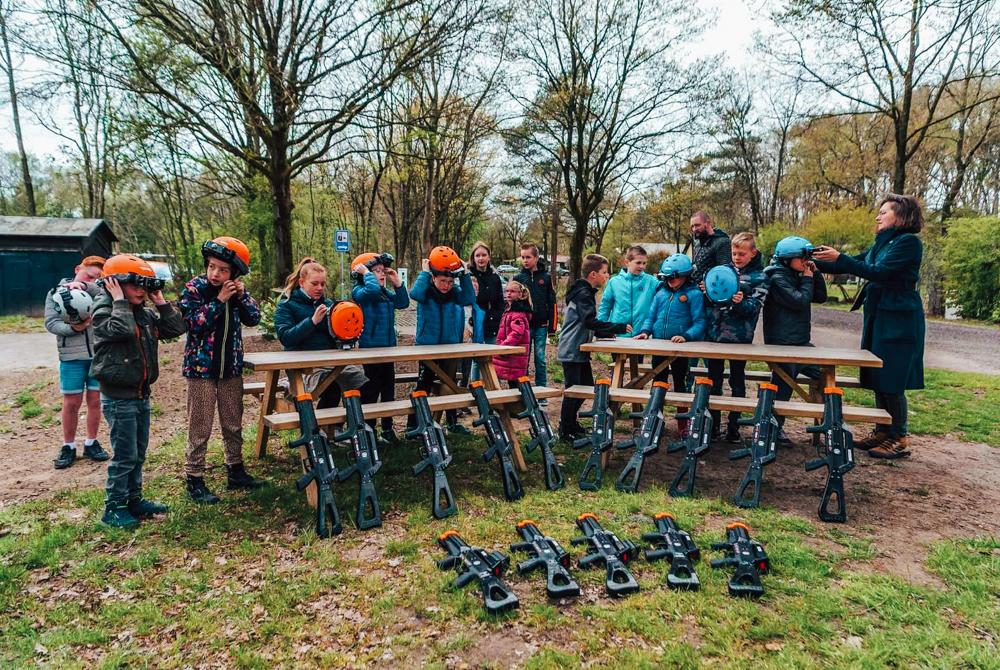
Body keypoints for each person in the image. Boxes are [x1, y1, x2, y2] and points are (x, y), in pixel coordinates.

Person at [813, 194, 925, 459]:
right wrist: (811, 261)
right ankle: (882, 431)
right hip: (880, 315)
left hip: (900, 318)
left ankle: (898, 436)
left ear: (901, 216)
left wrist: (840, 257)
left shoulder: (908, 243)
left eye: (884, 212)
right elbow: (856, 263)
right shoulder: (882, 242)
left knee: (893, 376)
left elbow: (878, 271)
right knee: (877, 373)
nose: (878, 216)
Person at [91, 254, 187, 528]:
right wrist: (119, 300)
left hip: (141, 394)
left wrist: (160, 301)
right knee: (125, 456)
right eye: (135, 285)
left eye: (145, 285)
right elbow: (119, 330)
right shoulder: (104, 311)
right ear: (115, 284)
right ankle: (114, 507)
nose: (141, 291)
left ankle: (133, 499)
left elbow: (175, 328)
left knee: (138, 452)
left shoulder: (143, 312)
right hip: (119, 397)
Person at [179, 237, 264, 505]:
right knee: (200, 425)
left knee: (232, 421)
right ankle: (194, 477)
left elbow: (254, 318)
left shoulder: (237, 293)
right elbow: (194, 324)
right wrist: (219, 300)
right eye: (212, 267)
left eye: (223, 270)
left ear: (234, 273)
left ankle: (236, 470)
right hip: (201, 369)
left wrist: (241, 296)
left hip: (231, 368)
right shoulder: (194, 288)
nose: (215, 273)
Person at [274, 258, 368, 408]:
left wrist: (350, 333)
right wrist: (312, 322)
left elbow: (336, 337)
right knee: (330, 388)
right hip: (302, 365)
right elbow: (286, 338)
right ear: (301, 282)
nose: (319, 288)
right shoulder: (286, 305)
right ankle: (318, 428)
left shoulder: (329, 305)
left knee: (361, 384)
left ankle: (348, 426)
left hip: (329, 362)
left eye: (322, 284)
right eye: (314, 284)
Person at [44, 255, 110, 469]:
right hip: (71, 358)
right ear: (77, 268)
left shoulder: (99, 291)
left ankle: (91, 442)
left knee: (95, 400)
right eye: (88, 275)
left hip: (97, 356)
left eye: (96, 278)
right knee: (72, 402)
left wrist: (85, 285)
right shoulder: (55, 294)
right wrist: (74, 329)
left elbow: (102, 295)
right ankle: (68, 446)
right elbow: (51, 323)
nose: (91, 280)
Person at [557, 254, 630, 440]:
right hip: (572, 349)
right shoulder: (583, 294)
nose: (607, 276)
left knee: (586, 386)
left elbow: (588, 324)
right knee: (573, 391)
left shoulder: (585, 292)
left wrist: (608, 333)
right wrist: (617, 327)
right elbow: (589, 321)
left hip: (579, 349)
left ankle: (571, 424)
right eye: (604, 272)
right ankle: (565, 430)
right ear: (593, 274)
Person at [762, 236, 827, 442]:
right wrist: (807, 278)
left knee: (824, 373)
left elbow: (820, 297)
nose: (806, 261)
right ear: (786, 259)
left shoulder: (797, 273)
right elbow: (799, 301)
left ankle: (826, 425)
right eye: (802, 257)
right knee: (783, 385)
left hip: (799, 342)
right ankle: (772, 427)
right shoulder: (777, 277)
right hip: (783, 343)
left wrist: (814, 274)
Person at [704, 232, 768, 443]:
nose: (737, 257)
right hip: (715, 336)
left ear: (753, 253)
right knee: (713, 382)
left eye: (742, 253)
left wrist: (740, 302)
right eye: (734, 253)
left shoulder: (760, 277)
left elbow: (754, 309)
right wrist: (708, 292)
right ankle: (712, 427)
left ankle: (734, 427)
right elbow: (713, 303)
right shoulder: (723, 272)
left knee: (737, 382)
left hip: (739, 339)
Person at [635, 253, 706, 436]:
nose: (670, 281)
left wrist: (686, 336)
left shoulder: (694, 294)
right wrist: (645, 331)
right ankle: (653, 422)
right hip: (659, 346)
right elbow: (651, 316)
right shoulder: (661, 293)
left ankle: (683, 425)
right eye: (667, 278)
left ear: (685, 275)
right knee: (658, 382)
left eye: (674, 278)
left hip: (680, 349)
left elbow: (700, 322)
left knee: (680, 384)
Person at [408, 246, 475, 435]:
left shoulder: (455, 293)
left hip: (450, 345)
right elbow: (414, 294)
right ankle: (413, 424)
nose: (446, 285)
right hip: (427, 346)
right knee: (424, 383)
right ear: (433, 278)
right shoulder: (426, 291)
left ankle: (452, 422)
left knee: (450, 384)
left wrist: (464, 274)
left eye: (449, 281)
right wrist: (425, 272)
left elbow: (469, 298)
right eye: (442, 281)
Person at [351, 251, 409, 446]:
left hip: (388, 348)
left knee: (388, 389)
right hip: (370, 349)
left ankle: (387, 427)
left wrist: (397, 283)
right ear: (362, 273)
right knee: (370, 390)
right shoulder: (359, 291)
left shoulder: (384, 292)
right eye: (376, 271)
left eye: (382, 270)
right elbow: (372, 291)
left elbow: (403, 303)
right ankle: (368, 428)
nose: (382, 274)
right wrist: (367, 275)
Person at [514, 243, 557, 403]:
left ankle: (541, 392)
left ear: (536, 258)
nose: (525, 260)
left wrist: (552, 327)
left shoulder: (545, 278)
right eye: (523, 257)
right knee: (523, 359)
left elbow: (552, 302)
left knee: (540, 358)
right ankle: (524, 393)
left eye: (528, 257)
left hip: (541, 326)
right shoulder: (518, 278)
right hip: (524, 326)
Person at [597, 244, 660, 337]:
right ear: (627, 262)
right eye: (638, 263)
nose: (642, 266)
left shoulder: (652, 281)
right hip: (618, 335)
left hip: (641, 335)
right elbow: (605, 307)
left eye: (644, 263)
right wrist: (600, 329)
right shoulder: (614, 282)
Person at [468, 241, 505, 381]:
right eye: (478, 255)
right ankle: (475, 388)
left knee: (492, 355)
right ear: (473, 257)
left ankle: (491, 388)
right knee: (476, 358)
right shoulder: (469, 276)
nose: (481, 258)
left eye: (484, 255)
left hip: (492, 321)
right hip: (475, 321)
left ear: (489, 257)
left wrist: (498, 317)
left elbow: (499, 301)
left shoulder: (495, 277)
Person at [493, 280, 533, 385]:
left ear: (520, 294)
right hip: (511, 354)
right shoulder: (509, 309)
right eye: (507, 291)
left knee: (517, 383)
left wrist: (503, 347)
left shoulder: (518, 312)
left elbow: (516, 333)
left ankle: (524, 401)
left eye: (513, 291)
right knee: (514, 383)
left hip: (514, 355)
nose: (509, 293)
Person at [689, 211, 732, 283]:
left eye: (697, 225)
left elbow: (725, 272)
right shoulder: (698, 244)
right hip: (696, 287)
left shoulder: (722, 242)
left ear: (708, 223)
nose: (694, 229)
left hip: (713, 288)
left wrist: (709, 284)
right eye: (692, 226)